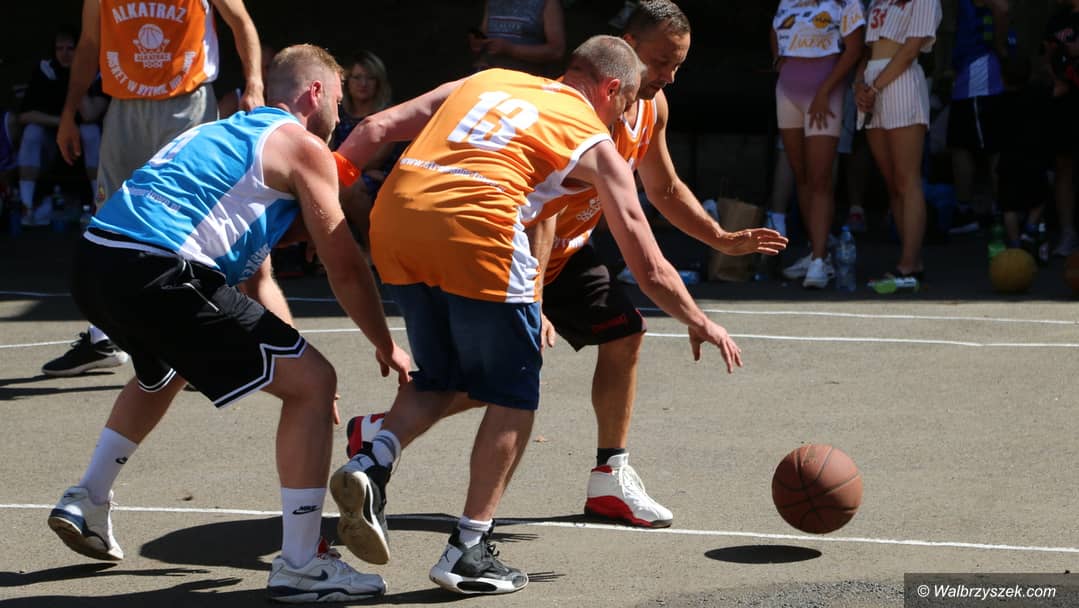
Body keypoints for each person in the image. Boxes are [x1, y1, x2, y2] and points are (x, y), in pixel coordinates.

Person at [344, 0, 786, 531]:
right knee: (505, 383)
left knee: (624, 333)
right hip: (514, 245)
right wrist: (534, 297)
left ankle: (609, 476)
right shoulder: (574, 116)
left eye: (678, 65)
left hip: (532, 245)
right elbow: (551, 217)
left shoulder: (644, 106)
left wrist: (720, 237)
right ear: (624, 54)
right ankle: (459, 528)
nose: (669, 76)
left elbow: (665, 189)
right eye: (661, 62)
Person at [46, 44, 412, 603]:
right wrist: (384, 344)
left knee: (168, 371)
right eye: (338, 98)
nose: (339, 111)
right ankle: (301, 565)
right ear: (315, 93)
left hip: (96, 259)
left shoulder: (222, 136)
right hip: (159, 266)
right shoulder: (301, 145)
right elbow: (344, 264)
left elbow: (258, 283)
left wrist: (301, 368)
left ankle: (88, 498)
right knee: (315, 383)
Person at [41, 0, 264, 378]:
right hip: (126, 107)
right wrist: (68, 113)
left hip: (186, 104)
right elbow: (90, 43)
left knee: (192, 225)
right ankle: (104, 338)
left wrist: (254, 83)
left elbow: (240, 21)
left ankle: (204, 342)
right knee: (109, 221)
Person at [772, 0, 865, 289]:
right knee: (800, 175)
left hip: (825, 93)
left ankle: (820, 259)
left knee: (820, 179)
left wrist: (825, 91)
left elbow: (855, 49)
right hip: (788, 91)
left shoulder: (846, 3)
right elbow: (775, 29)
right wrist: (778, 61)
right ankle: (816, 252)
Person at [855, 0, 942, 292]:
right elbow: (867, 50)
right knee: (892, 183)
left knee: (908, 180)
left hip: (900, 82)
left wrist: (874, 86)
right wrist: (859, 85)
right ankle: (911, 260)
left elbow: (911, 49)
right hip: (872, 83)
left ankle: (908, 263)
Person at [15, 27, 107, 225]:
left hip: (85, 149)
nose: (64, 54)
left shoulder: (96, 70)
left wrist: (78, 74)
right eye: (59, 49)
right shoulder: (46, 71)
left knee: (90, 132)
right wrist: (64, 124)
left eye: (70, 48)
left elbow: (90, 115)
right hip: (51, 144)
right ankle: (26, 207)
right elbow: (25, 115)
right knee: (32, 132)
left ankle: (97, 207)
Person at [946, 0, 1013, 236]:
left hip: (978, 77)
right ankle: (989, 210)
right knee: (961, 145)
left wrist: (999, 46)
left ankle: (989, 212)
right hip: (971, 74)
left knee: (979, 147)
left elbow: (1002, 8)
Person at [1044, 0, 1079, 256]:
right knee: (1063, 164)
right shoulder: (1057, 19)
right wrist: (1056, 80)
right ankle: (1068, 232)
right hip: (1065, 102)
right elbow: (1047, 55)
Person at [468, 0, 566, 77]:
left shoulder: (547, 2)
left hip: (523, 80)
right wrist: (478, 40)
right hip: (488, 76)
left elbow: (556, 50)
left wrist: (510, 49)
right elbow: (485, 33)